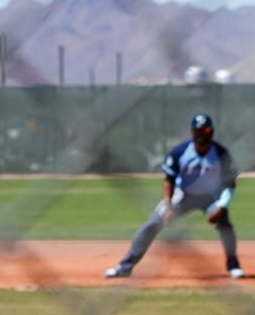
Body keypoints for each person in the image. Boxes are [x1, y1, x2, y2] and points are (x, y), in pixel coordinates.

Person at [104, 113, 244, 280]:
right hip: (183, 194)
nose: (201, 134)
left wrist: (222, 206)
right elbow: (169, 181)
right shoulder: (180, 151)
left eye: (205, 130)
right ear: (192, 132)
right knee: (151, 225)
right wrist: (169, 207)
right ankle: (125, 267)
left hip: (211, 196)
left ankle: (233, 265)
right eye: (197, 130)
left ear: (211, 132)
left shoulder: (221, 153)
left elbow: (230, 183)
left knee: (225, 225)